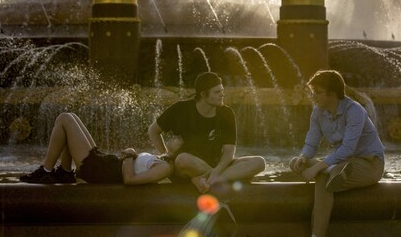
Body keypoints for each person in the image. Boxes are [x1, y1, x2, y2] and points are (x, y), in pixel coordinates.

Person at [290, 70, 384, 237]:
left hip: (369, 164)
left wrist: (317, 168)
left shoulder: (355, 111)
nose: (314, 96)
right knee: (296, 163)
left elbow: (348, 149)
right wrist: (303, 157)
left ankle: (317, 234)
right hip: (340, 163)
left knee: (324, 178)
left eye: (317, 92)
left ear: (332, 93)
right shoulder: (318, 112)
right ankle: (330, 171)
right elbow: (311, 143)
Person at [148, 72, 266, 193]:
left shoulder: (226, 113)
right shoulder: (180, 109)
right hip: (188, 165)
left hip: (216, 165)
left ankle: (208, 180)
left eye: (222, 90)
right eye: (217, 92)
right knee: (182, 159)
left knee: (259, 162)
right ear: (203, 94)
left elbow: (229, 151)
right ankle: (215, 178)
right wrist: (167, 157)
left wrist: (216, 171)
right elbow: (153, 131)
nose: (222, 94)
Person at [20, 112, 172, 185]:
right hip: (104, 164)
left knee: (64, 119)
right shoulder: (162, 161)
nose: (173, 138)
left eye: (177, 139)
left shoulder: (165, 168)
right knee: (71, 116)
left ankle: (46, 172)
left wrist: (129, 155)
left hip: (100, 171)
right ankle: (64, 172)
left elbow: (129, 180)